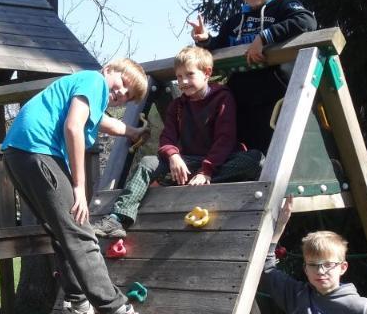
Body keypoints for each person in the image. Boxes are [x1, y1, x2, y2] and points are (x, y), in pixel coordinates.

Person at [2, 59, 172, 314]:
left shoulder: (83, 86)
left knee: (62, 233)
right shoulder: (93, 81)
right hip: (39, 152)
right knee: (82, 234)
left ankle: (78, 303)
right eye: (124, 85)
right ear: (110, 69)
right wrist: (80, 186)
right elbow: (74, 127)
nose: (122, 95)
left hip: (19, 154)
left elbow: (101, 121)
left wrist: (130, 132)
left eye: (129, 97)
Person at [92, 45, 262, 239]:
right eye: (179, 77)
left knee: (255, 159)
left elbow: (225, 138)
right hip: (189, 162)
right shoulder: (178, 105)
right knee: (148, 163)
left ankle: (191, 180)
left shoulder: (223, 98)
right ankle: (118, 218)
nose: (183, 81)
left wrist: (207, 170)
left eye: (189, 75)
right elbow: (167, 137)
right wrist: (173, 156)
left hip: (218, 163)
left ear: (207, 73)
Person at [190, 0, 317, 154]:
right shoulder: (234, 21)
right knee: (241, 150)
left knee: (271, 150)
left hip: (274, 95)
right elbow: (218, 47)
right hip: (239, 100)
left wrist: (265, 37)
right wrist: (205, 39)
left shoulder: (282, 6)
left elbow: (306, 21)